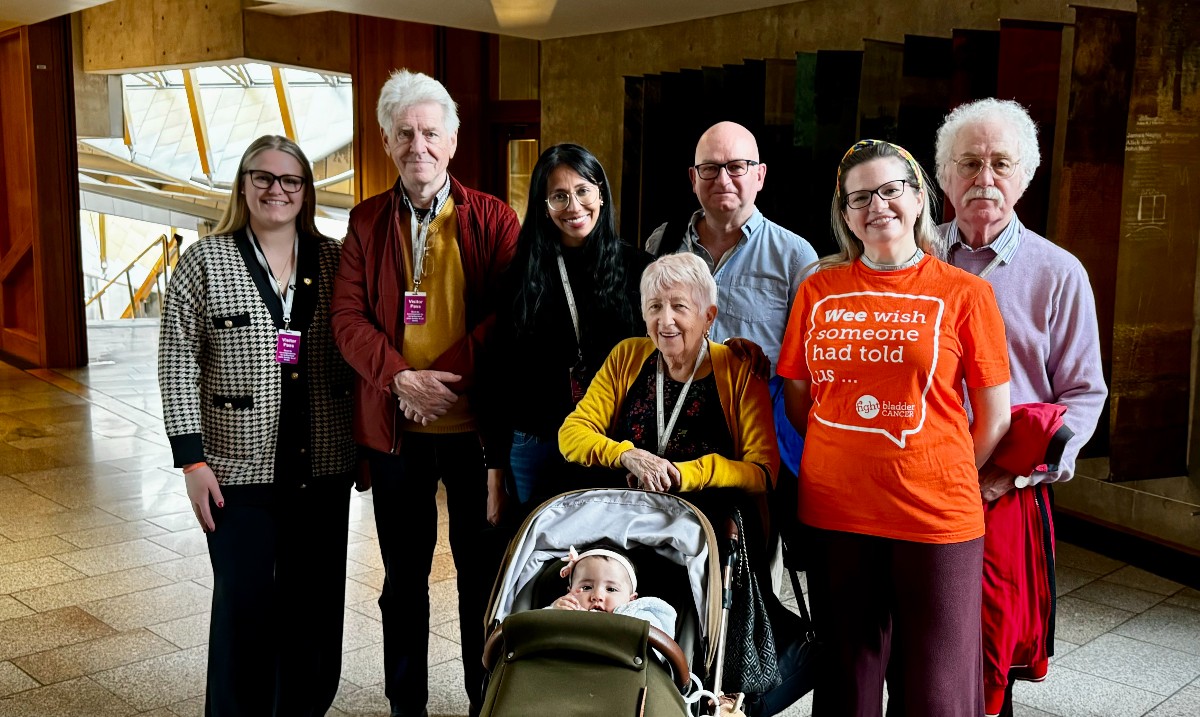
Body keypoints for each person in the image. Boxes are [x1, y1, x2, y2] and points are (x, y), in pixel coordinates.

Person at [778, 139, 1012, 716]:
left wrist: (935, 465)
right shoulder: (817, 290)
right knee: (847, 682)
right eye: (859, 198)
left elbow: (996, 416)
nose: (876, 206)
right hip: (836, 510)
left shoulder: (965, 293)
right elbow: (799, 395)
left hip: (934, 516)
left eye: (889, 190)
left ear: (918, 197)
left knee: (934, 690)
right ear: (844, 213)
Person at [330, 69, 519, 717]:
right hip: (395, 431)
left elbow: (509, 314)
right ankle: (405, 703)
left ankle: (482, 699)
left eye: (430, 133)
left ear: (453, 141)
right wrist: (400, 379)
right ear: (386, 140)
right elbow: (346, 320)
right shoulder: (364, 222)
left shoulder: (493, 218)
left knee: (481, 579)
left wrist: (443, 381)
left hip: (477, 436)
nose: (419, 145)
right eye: (405, 133)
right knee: (403, 583)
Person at [158, 134, 355, 716]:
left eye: (290, 180)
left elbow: (361, 347)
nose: (277, 190)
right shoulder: (204, 261)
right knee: (244, 607)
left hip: (323, 467)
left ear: (306, 191)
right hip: (235, 472)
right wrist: (192, 460)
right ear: (243, 184)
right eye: (263, 177)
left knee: (314, 608)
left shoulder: (336, 259)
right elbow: (176, 361)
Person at [934, 99, 1107, 717]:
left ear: (1025, 176)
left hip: (999, 494)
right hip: (911, 490)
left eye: (1000, 163)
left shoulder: (1059, 273)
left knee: (985, 657)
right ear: (944, 177)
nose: (984, 178)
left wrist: (1016, 473)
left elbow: (1085, 394)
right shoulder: (912, 257)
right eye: (969, 163)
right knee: (915, 649)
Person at [645, 121, 818, 482]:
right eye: (710, 168)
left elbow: (809, 362)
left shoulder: (795, 256)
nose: (723, 180)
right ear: (693, 178)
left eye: (737, 166)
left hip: (761, 436)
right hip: (674, 431)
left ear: (760, 175)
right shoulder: (662, 244)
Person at [486, 144, 652, 510]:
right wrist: (494, 475)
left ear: (601, 195)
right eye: (559, 196)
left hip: (612, 443)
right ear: (544, 207)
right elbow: (499, 378)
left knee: (602, 558)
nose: (574, 206)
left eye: (582, 191)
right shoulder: (519, 277)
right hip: (535, 443)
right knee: (541, 556)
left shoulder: (639, 268)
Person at [559, 252, 778, 497]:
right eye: (655, 306)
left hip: (703, 515)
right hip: (627, 509)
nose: (665, 320)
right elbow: (572, 433)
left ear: (708, 317)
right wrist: (626, 455)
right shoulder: (627, 355)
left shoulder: (739, 368)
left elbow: (763, 472)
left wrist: (684, 474)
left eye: (679, 306)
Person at [548, 544, 677, 639]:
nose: (597, 596)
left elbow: (658, 642)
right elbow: (535, 632)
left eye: (611, 589)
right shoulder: (564, 610)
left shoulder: (637, 612)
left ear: (631, 599)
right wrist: (553, 614)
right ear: (569, 592)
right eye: (586, 587)